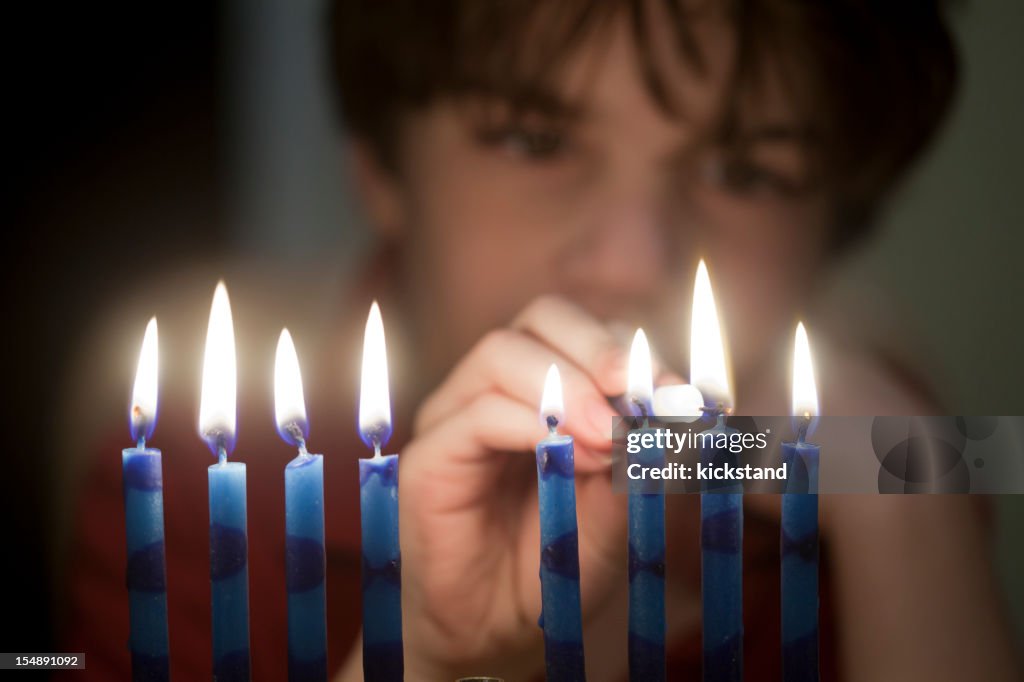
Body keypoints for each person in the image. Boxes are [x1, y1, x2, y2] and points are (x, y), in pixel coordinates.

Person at [60, 1, 1020, 680]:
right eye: (534, 140)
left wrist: (907, 518)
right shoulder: (202, 473)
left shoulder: (885, 448)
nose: (633, 259)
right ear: (380, 166)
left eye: (745, 169)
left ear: (836, 220)